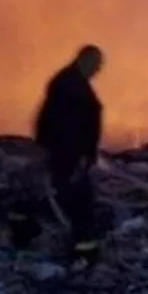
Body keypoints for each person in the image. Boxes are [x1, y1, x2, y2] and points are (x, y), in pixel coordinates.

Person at [32, 44, 106, 258]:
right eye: (96, 64)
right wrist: (79, 153)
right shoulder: (69, 85)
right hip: (68, 154)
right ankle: (82, 251)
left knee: (73, 199)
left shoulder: (72, 82)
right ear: (85, 60)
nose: (98, 70)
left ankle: (78, 246)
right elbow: (65, 122)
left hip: (70, 153)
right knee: (78, 201)